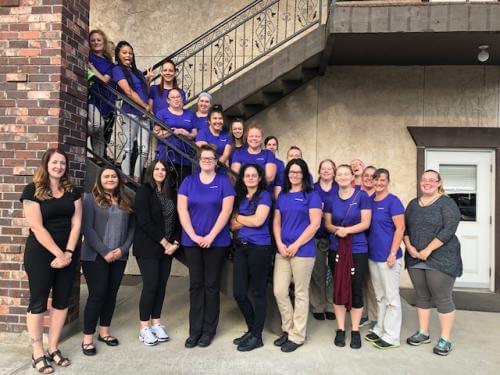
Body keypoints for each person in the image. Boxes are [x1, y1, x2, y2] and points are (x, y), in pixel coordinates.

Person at [20, 148, 82, 373]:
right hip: (40, 253)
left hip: (68, 253)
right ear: (46, 164)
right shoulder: (32, 190)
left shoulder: (72, 191)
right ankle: (38, 351)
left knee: (62, 301)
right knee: (38, 302)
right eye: (55, 162)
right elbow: (36, 226)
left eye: (62, 163)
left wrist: (68, 253)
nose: (59, 167)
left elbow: (76, 224)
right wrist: (59, 254)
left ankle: (53, 347)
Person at [177, 145, 235, 348]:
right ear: (199, 160)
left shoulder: (224, 182)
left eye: (211, 158)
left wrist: (211, 236)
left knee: (211, 286)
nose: (207, 160)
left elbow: (226, 211)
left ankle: (208, 331)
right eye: (204, 158)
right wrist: (192, 235)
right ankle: (194, 331)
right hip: (191, 242)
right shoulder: (188, 182)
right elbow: (182, 210)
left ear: (216, 161)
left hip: (217, 242)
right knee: (195, 286)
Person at [404, 169, 462, 356]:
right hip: (415, 257)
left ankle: (445, 339)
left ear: (439, 183)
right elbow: (404, 228)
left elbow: (449, 229)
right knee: (421, 296)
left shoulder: (447, 203)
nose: (427, 182)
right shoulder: (413, 204)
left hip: (441, 257)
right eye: (424, 180)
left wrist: (428, 250)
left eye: (431, 180)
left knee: (442, 297)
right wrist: (410, 247)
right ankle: (423, 332)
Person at [81, 166, 135, 355]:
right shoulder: (89, 199)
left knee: (111, 295)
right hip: (95, 256)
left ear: (119, 180)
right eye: (106, 176)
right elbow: (87, 229)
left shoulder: (126, 199)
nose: (111, 179)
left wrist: (123, 249)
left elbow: (132, 229)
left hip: (119, 256)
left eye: (114, 176)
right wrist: (105, 252)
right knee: (98, 295)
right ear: (99, 179)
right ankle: (87, 338)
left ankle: (104, 332)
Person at [273, 159, 322, 353]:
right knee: (279, 291)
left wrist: (295, 245)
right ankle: (288, 328)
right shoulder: (283, 196)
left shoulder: (312, 195)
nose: (294, 175)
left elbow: (315, 224)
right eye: (291, 172)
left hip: (303, 252)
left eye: (298, 172)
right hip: (282, 251)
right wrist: (279, 243)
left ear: (304, 174)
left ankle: (298, 335)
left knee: (301, 293)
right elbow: (276, 222)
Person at [324, 164, 371, 349]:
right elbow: (327, 223)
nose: (343, 177)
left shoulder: (362, 196)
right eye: (340, 174)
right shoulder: (329, 198)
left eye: (346, 174)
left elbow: (366, 222)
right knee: (339, 287)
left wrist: (347, 230)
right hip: (336, 247)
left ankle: (355, 330)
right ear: (336, 177)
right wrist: (337, 230)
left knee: (355, 287)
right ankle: (341, 329)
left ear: (352, 177)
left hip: (357, 248)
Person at [134, 160, 180, 346]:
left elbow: (178, 219)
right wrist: (164, 242)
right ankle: (144, 328)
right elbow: (144, 221)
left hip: (168, 248)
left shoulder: (171, 192)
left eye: (164, 169)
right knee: (151, 285)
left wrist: (175, 243)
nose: (160, 172)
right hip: (149, 246)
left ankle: (156, 323)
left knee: (161, 285)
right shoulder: (144, 191)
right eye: (157, 169)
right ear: (151, 172)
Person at [230, 164, 273, 352]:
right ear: (243, 178)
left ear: (259, 177)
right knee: (239, 293)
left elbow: (259, 221)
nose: (250, 178)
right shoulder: (239, 197)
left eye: (254, 175)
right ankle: (252, 329)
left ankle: (257, 336)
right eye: (247, 175)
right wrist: (243, 220)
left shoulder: (265, 195)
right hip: (240, 248)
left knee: (258, 292)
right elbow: (231, 225)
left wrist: (240, 219)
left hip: (259, 248)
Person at [365, 168, 405, 349]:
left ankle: (392, 336)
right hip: (373, 256)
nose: (379, 183)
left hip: (388, 257)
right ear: (371, 182)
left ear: (388, 181)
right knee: (380, 296)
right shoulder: (370, 201)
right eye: (376, 180)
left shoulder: (393, 201)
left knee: (391, 298)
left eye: (383, 180)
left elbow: (400, 228)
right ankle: (380, 328)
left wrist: (392, 252)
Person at [112, 41, 154, 181]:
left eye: (130, 53)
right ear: (118, 54)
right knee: (128, 147)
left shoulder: (137, 72)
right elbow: (128, 92)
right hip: (130, 112)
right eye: (124, 53)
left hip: (144, 114)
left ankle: (136, 179)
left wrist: (147, 82)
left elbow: (145, 93)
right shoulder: (117, 70)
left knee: (144, 149)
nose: (128, 55)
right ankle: (125, 178)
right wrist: (145, 106)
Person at [310, 159, 336, 321]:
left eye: (329, 169)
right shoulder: (312, 189)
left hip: (336, 237)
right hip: (316, 237)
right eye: (323, 169)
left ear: (334, 171)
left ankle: (331, 305)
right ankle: (317, 305)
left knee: (334, 273)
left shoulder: (340, 189)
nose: (326, 171)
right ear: (319, 171)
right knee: (317, 273)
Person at [155, 88, 197, 185]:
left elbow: (194, 134)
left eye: (178, 97)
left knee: (184, 186)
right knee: (167, 185)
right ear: (168, 100)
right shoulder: (162, 113)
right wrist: (172, 132)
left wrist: (186, 133)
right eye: (173, 97)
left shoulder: (190, 114)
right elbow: (156, 133)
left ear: (182, 99)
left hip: (186, 156)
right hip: (167, 155)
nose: (176, 99)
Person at [87, 29, 115, 158]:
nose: (96, 42)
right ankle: (78, 135)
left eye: (98, 40)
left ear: (103, 42)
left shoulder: (110, 64)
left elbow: (105, 80)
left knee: (100, 131)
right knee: (98, 125)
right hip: (93, 97)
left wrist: (92, 68)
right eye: (92, 40)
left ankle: (98, 159)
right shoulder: (87, 56)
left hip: (105, 99)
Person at [360, 165, 377, 328]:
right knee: (362, 280)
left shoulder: (380, 197)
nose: (369, 178)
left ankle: (375, 316)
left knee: (374, 283)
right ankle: (364, 314)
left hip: (376, 244)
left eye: (373, 176)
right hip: (359, 244)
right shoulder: (358, 195)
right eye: (366, 175)